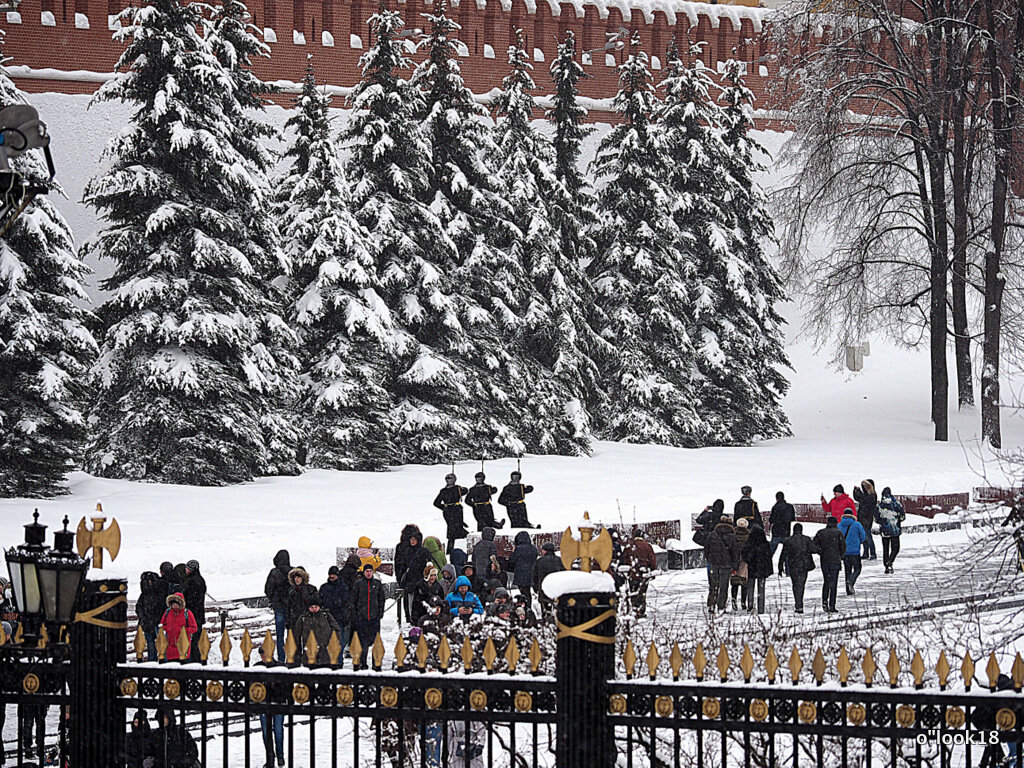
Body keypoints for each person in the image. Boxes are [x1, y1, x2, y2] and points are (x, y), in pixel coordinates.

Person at [350, 564, 386, 667]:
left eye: (370, 571)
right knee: (363, 643)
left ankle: (376, 664)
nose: (369, 573)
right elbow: (353, 601)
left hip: (374, 618)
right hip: (362, 618)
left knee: (376, 642)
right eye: (367, 571)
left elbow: (381, 599)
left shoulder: (377, 584)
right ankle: (363, 663)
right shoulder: (358, 584)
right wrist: (356, 615)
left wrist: (380, 613)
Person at [704, 516, 739, 612]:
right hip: (726, 565)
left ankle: (711, 604)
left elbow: (706, 549)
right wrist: (735, 566)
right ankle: (721, 606)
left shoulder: (712, 534)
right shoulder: (732, 536)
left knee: (713, 585)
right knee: (724, 587)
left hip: (714, 564)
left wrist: (710, 559)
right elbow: (735, 552)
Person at [780, 523, 816, 613]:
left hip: (793, 565)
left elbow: (783, 554)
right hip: (804, 565)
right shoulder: (806, 539)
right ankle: (799, 603)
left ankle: (798, 602)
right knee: (801, 584)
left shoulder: (789, 540)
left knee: (795, 584)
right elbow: (814, 549)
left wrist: (780, 566)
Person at [621, 528, 657, 618]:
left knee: (633, 592)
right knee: (642, 592)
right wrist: (652, 571)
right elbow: (652, 560)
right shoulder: (648, 546)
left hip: (632, 574)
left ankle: (634, 610)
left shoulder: (630, 546)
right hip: (645, 574)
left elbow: (623, 559)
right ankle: (641, 611)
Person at [263, 549, 291, 663]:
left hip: (278, 606)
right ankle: (291, 655)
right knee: (291, 634)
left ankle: (281, 657)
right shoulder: (292, 571)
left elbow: (268, 589)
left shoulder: (274, 572)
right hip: (290, 607)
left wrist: (274, 599)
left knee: (279, 635)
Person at [294, 599, 341, 666]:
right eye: (312, 607)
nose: (314, 609)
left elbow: (336, 629)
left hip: (326, 653)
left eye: (316, 607)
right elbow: (297, 635)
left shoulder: (326, 616)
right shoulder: (303, 618)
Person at [813, 517, 846, 613]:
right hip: (835, 560)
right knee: (834, 583)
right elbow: (843, 547)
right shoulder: (838, 533)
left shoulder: (821, 533)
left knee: (826, 581)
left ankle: (824, 600)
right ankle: (832, 605)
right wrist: (841, 555)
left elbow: (814, 545)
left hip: (825, 560)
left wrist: (821, 552)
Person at [319, 566, 353, 659]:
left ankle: (338, 661)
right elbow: (320, 602)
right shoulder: (324, 587)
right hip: (327, 619)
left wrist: (345, 616)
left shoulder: (344, 587)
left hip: (339, 618)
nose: (332, 576)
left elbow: (347, 603)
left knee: (339, 641)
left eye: (334, 574)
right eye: (330, 574)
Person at [434, 473, 470, 553]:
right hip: (456, 510)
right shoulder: (457, 489)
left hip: (449, 511)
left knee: (453, 529)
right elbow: (466, 490)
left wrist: (445, 508)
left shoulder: (443, 491)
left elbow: (436, 503)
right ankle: (451, 550)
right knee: (455, 529)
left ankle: (450, 549)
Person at [394, 524, 422, 624]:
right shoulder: (418, 548)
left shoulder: (400, 547)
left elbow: (397, 565)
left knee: (407, 603)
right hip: (417, 581)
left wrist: (401, 579)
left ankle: (408, 618)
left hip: (405, 580)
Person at [401, 531, 431, 623]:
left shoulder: (423, 551)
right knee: (410, 604)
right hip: (410, 582)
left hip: (421, 582)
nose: (412, 541)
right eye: (411, 539)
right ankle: (411, 619)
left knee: (421, 603)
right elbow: (403, 566)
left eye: (414, 539)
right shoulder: (407, 551)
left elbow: (428, 565)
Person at [742, 525, 773, 614]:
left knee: (750, 588)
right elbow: (769, 556)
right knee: (761, 589)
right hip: (762, 569)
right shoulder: (765, 544)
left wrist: (749, 560)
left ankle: (750, 606)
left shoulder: (749, 543)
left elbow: (744, 554)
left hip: (752, 568)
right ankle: (761, 608)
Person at [137, 571, 167, 662]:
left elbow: (139, 607)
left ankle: (154, 662)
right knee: (157, 644)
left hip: (151, 621)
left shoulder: (147, 595)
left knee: (154, 645)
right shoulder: (157, 593)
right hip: (152, 621)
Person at [875, 487, 906, 573]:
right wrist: (896, 521)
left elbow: (876, 519)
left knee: (885, 549)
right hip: (895, 530)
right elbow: (903, 517)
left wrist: (883, 522)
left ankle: (886, 565)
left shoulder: (879, 506)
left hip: (884, 531)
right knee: (895, 548)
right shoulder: (896, 504)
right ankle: (890, 561)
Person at [160, 592, 197, 661]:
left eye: (176, 604)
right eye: (173, 604)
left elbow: (194, 628)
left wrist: (184, 631)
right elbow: (162, 624)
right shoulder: (168, 612)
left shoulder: (187, 613)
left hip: (183, 644)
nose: (174, 606)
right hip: (170, 645)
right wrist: (168, 629)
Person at [837, 508, 867, 595]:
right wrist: (858, 542)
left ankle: (848, 590)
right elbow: (863, 537)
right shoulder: (857, 525)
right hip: (855, 552)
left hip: (844, 552)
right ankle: (851, 581)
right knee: (857, 569)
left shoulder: (839, 525)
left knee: (847, 570)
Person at [182, 560, 206, 662]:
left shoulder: (192, 581)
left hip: (193, 614)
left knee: (193, 640)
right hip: (198, 614)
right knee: (196, 639)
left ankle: (194, 660)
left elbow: (191, 599)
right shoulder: (200, 580)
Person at [768, 492, 796, 576]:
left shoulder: (775, 507)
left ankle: (768, 570)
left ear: (776, 498)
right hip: (786, 532)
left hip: (776, 532)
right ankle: (788, 571)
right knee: (787, 553)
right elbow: (792, 518)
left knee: (770, 553)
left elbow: (771, 520)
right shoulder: (790, 507)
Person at [533, 541, 565, 613]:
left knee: (545, 608)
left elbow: (535, 576)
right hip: (558, 588)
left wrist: (536, 588)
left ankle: (546, 619)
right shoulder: (560, 560)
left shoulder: (540, 561)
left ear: (545, 550)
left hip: (544, 588)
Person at [286, 567, 320, 632]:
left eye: (299, 577)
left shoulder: (311, 589)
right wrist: (288, 621)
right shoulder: (291, 590)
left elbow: (316, 603)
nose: (297, 579)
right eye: (295, 577)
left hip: (308, 619)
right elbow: (288, 607)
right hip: (295, 619)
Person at [509, 531, 538, 606]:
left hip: (520, 573)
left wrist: (513, 552)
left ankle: (526, 606)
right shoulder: (533, 548)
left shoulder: (518, 549)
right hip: (531, 573)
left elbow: (512, 560)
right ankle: (528, 605)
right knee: (527, 591)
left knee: (523, 592)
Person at [853, 479, 878, 560]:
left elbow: (864, 499)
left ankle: (873, 553)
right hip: (862, 517)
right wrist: (856, 491)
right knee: (864, 537)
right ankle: (866, 553)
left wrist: (859, 492)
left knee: (868, 536)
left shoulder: (872, 496)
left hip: (867, 518)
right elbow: (858, 498)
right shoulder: (866, 495)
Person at [730, 518, 752, 611]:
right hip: (745, 560)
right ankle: (743, 601)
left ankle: (733, 599)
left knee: (734, 581)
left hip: (735, 559)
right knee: (744, 581)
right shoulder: (749, 534)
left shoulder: (733, 534)